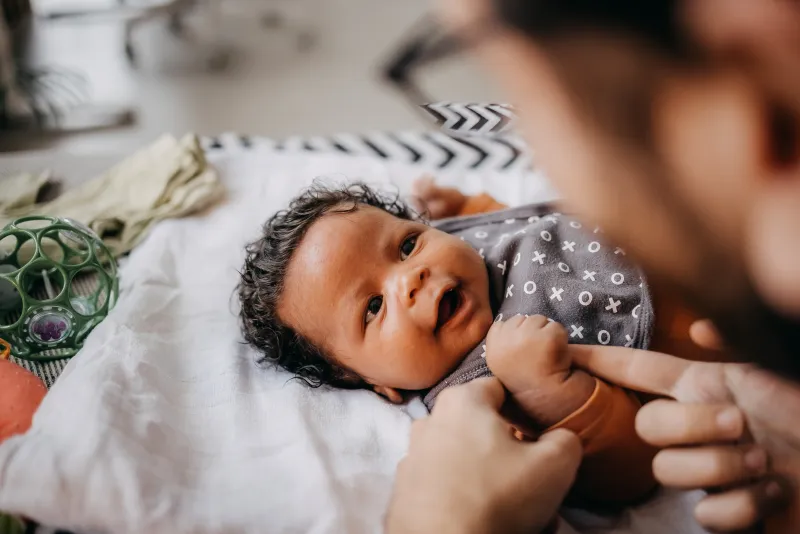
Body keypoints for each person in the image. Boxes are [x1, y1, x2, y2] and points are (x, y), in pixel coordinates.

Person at [387, 0, 800, 532]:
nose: (408, 278)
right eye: (372, 307)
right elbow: (627, 472)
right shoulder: (474, 401)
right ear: (380, 386)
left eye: (404, 245)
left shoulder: (468, 256)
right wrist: (551, 392)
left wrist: (462, 207)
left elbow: (517, 227)